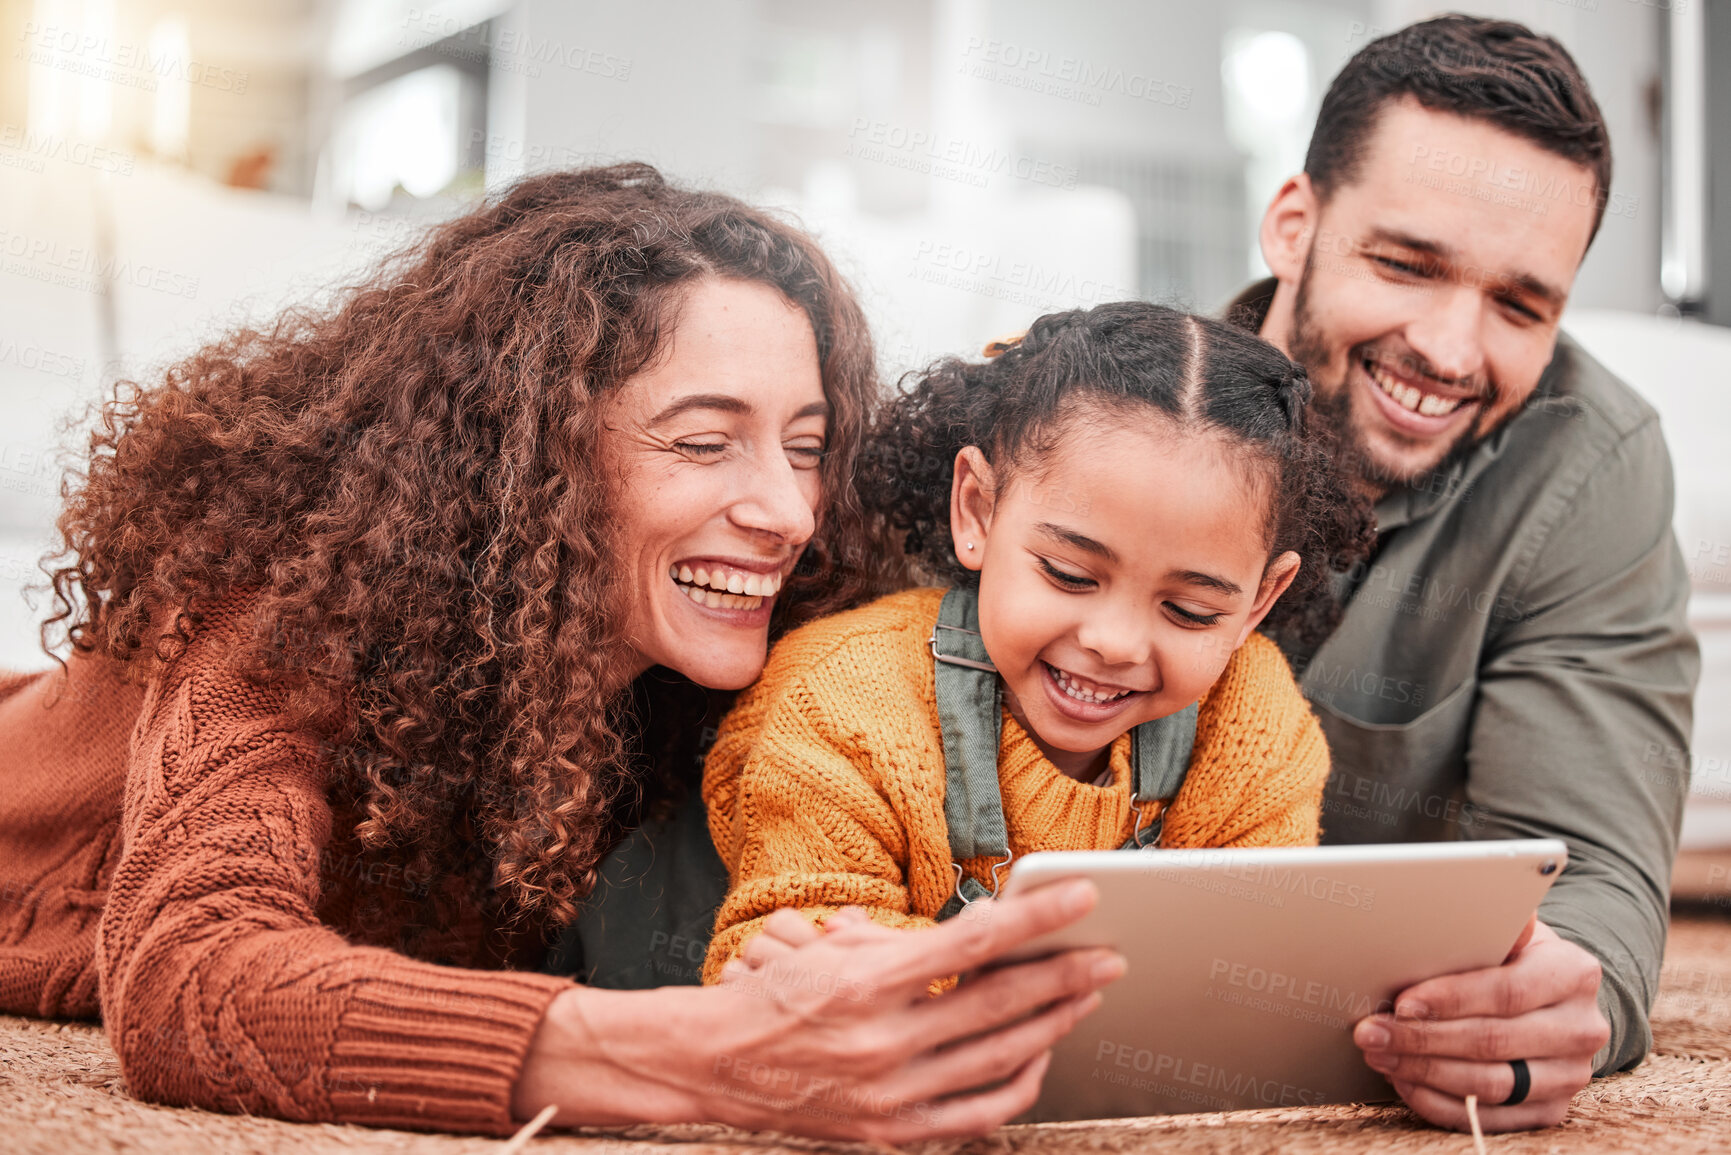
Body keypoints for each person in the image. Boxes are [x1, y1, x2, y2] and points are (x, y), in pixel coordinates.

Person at [0, 162, 1126, 1143]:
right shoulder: (294, 607)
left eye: (807, 447)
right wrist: (708, 1051)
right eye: (702, 442)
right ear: (524, 458)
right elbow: (189, 981)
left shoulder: (730, 653)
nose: (787, 511)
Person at [1226, 16, 1700, 1132]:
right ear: (1295, 225)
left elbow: (1591, 880)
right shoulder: (1099, 420)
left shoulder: (1592, 472)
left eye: (1518, 305)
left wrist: (1552, 997)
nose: (1448, 346)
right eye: (1405, 264)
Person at [700, 302, 1373, 978]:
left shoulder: (1251, 720)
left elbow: (1245, 975)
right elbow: (783, 983)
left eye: (1189, 610)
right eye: (1070, 574)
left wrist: (925, 973)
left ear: (1259, 599)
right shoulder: (840, 700)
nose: (1114, 642)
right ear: (978, 510)